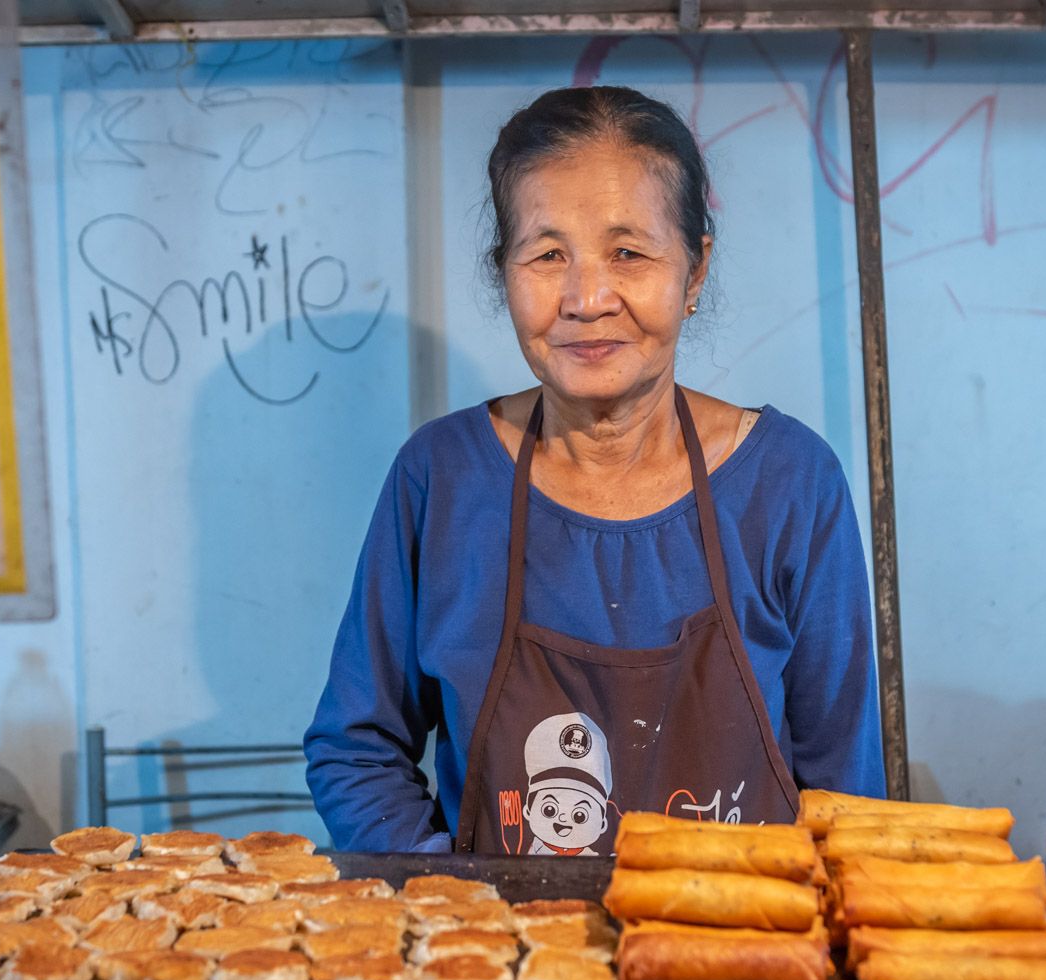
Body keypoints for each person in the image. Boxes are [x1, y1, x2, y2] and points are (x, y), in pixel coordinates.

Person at [303, 86, 883, 854]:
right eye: (548, 256)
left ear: (695, 270)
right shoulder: (439, 480)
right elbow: (356, 749)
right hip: (504, 960)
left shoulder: (791, 483)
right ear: (503, 272)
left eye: (629, 253)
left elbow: (848, 795)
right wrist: (452, 895)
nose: (586, 298)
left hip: (736, 953)